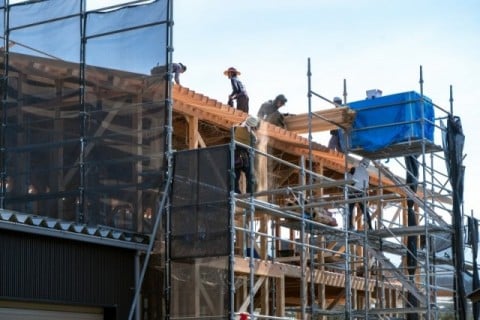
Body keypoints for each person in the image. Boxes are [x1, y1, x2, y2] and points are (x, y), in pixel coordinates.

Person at [233, 116, 258, 194]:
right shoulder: (252, 136)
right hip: (244, 157)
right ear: (253, 126)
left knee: (235, 175)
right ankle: (249, 194)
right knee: (251, 176)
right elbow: (252, 149)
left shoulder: (235, 128)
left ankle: (235, 192)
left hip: (235, 155)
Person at [347, 158, 372, 230]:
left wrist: (348, 174)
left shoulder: (354, 169)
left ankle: (350, 226)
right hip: (362, 192)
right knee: (365, 210)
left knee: (349, 209)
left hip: (353, 191)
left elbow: (349, 179)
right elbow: (366, 185)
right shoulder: (367, 174)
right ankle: (370, 226)